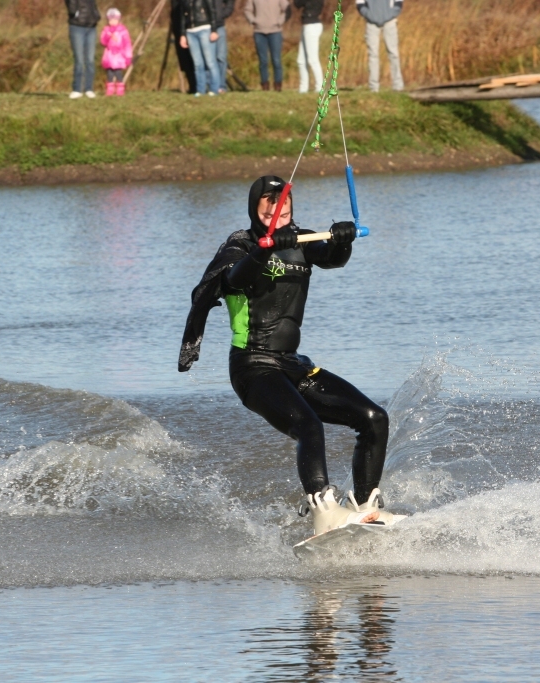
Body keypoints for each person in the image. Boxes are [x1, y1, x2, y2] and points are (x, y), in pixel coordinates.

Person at [179, 176, 397, 535]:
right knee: (307, 424)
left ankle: (365, 507)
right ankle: (324, 510)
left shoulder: (301, 241)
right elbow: (234, 279)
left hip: (293, 365)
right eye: (267, 201)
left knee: (373, 418)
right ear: (255, 207)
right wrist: (264, 250)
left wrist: (342, 239)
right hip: (253, 368)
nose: (275, 207)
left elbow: (333, 259)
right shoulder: (239, 247)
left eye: (282, 200)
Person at [356, 0, 404, 92]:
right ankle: (373, 87)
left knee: (393, 53)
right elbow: (360, 4)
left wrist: (390, 14)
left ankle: (398, 85)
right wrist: (369, 15)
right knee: (373, 55)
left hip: (390, 22)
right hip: (371, 23)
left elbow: (398, 3)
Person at [177, 0, 222, 96]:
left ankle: (214, 89)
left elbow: (212, 11)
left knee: (210, 62)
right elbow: (182, 17)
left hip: (204, 29)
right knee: (197, 64)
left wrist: (214, 29)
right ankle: (200, 90)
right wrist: (182, 35)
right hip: (190, 32)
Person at [244, 0, 289, 91]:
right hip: (259, 32)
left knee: (276, 60)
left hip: (275, 31)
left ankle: (278, 85)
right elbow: (247, 10)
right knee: (263, 61)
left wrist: (280, 21)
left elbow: (287, 9)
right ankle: (265, 85)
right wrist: (253, 20)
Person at [65, 0, 101, 99]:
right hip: (77, 26)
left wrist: (96, 15)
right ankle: (77, 89)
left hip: (91, 26)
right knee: (79, 60)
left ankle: (89, 88)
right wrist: (74, 13)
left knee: (90, 60)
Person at [100, 8, 133, 97]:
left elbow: (127, 44)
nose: (112, 22)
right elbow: (103, 42)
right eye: (110, 20)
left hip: (119, 55)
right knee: (110, 72)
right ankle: (110, 89)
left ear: (118, 20)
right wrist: (107, 36)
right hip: (109, 55)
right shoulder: (106, 30)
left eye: (114, 20)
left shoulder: (123, 31)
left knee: (118, 72)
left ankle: (120, 89)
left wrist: (128, 56)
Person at [294, 0, 323, 94]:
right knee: (301, 60)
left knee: (313, 59)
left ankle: (320, 86)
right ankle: (303, 88)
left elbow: (298, 3)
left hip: (312, 26)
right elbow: (297, 4)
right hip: (307, 26)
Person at [212, 0, 236, 93]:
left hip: (219, 26)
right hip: (204, 26)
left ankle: (221, 86)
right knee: (208, 59)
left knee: (221, 57)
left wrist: (221, 14)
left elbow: (230, 3)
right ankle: (210, 85)